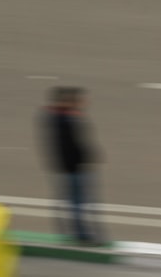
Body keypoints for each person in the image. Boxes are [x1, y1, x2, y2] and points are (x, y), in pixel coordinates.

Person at [40, 86, 104, 246]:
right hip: (74, 168)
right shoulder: (65, 119)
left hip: (70, 167)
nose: (84, 101)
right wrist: (88, 158)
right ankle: (82, 235)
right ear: (67, 100)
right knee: (78, 204)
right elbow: (72, 145)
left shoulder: (60, 117)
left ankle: (80, 233)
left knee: (75, 203)